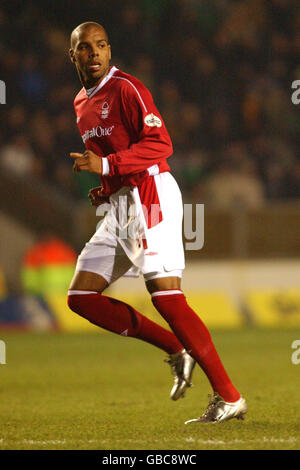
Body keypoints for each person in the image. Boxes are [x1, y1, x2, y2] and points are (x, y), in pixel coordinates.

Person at [67, 21, 247, 423]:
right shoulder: (81, 103)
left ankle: (230, 396)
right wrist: (107, 185)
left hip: (151, 194)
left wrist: (108, 166)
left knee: (164, 294)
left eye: (100, 45)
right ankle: (176, 348)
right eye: (84, 47)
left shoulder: (127, 88)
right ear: (73, 55)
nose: (93, 53)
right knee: (80, 298)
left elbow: (160, 144)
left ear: (109, 51)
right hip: (122, 204)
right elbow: (113, 158)